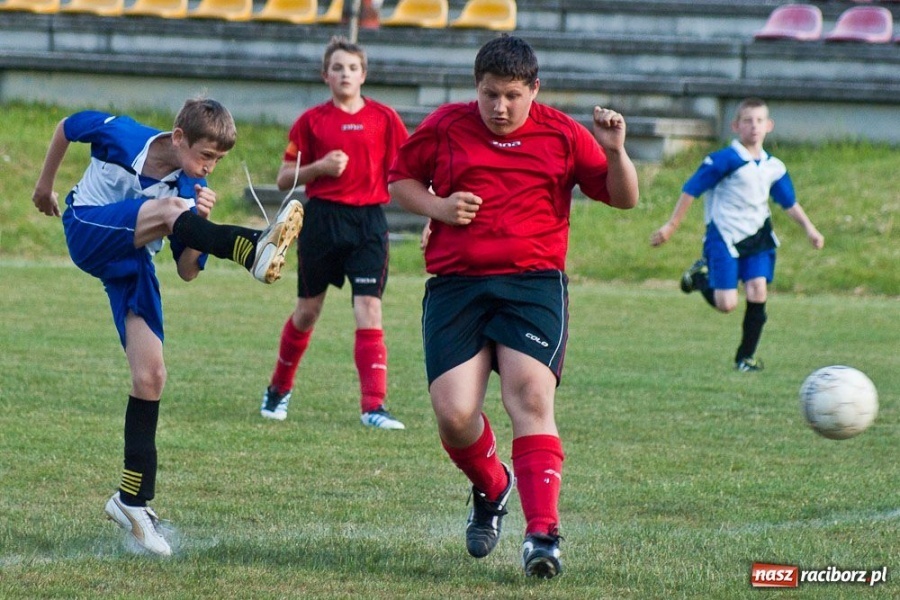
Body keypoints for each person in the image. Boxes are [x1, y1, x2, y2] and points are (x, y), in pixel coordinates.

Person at [388, 35, 639, 578]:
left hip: (532, 286)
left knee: (529, 396)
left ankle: (542, 536)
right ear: (475, 88)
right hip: (457, 287)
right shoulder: (446, 126)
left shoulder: (563, 134)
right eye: (489, 94)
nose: (499, 107)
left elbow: (624, 198)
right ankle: (493, 486)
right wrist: (438, 207)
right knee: (455, 416)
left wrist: (616, 151)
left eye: (511, 96)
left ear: (534, 90)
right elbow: (400, 181)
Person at [31, 97, 304, 556]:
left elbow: (187, 270)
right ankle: (251, 247)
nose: (209, 168)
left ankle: (132, 501)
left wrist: (199, 223)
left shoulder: (191, 186)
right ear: (178, 137)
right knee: (169, 211)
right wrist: (44, 187)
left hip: (132, 261)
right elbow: (66, 126)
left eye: (218, 160)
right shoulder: (123, 135)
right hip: (87, 228)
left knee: (151, 376)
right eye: (205, 155)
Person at [258, 36, 409, 430]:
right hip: (322, 221)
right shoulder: (311, 121)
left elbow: (408, 166)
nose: (345, 74)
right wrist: (319, 167)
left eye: (353, 68)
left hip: (368, 223)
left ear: (364, 75)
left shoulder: (384, 118)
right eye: (337, 67)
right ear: (325, 75)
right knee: (308, 312)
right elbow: (283, 178)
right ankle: (278, 388)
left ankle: (373, 406)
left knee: (369, 308)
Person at [650, 97, 824, 372]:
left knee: (758, 289)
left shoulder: (774, 167)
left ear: (769, 125)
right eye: (747, 120)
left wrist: (809, 229)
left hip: (758, 238)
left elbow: (788, 202)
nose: (754, 126)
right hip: (725, 237)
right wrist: (671, 225)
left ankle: (745, 358)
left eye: (759, 120)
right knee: (726, 304)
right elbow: (691, 190)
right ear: (735, 126)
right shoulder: (724, 160)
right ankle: (699, 278)